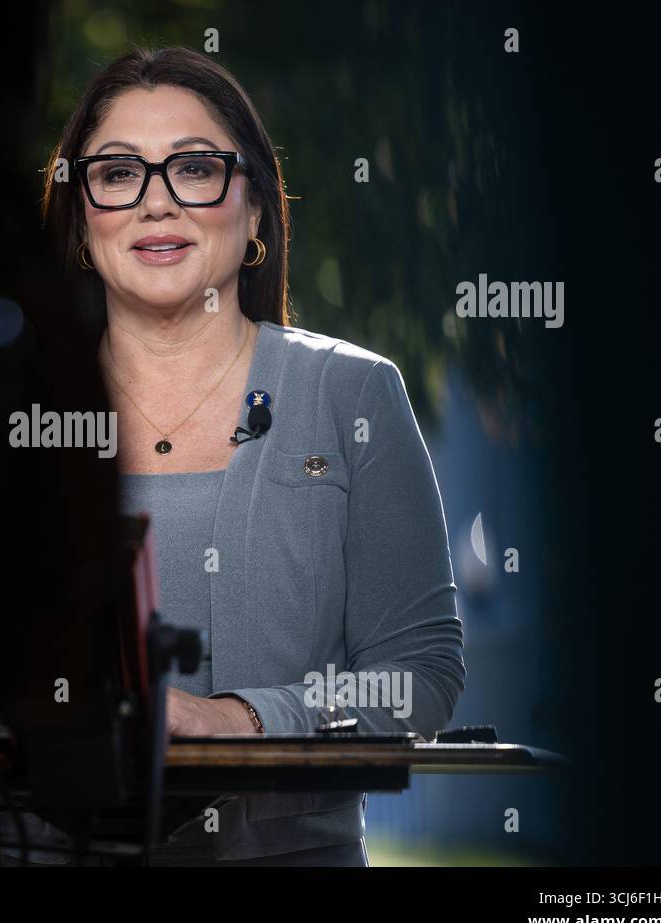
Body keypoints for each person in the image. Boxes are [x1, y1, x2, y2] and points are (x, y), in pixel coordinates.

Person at [23, 46, 466, 865]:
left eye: (194, 168)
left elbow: (419, 678)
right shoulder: (9, 414)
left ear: (256, 209)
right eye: (117, 174)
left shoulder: (352, 394)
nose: (156, 204)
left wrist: (241, 717)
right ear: (82, 215)